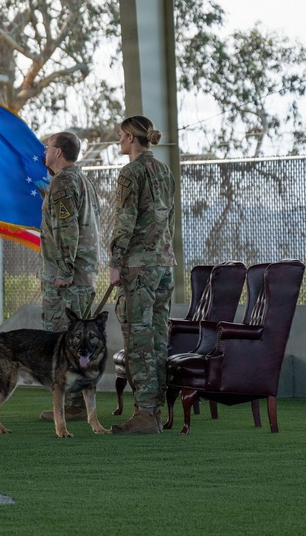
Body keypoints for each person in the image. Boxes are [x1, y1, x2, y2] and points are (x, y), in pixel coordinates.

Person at [108, 115, 175, 435]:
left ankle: (145, 414)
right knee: (159, 342)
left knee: (137, 343)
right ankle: (155, 410)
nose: (118, 140)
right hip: (163, 266)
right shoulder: (165, 171)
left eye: (121, 135)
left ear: (132, 138)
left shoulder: (130, 173)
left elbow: (125, 221)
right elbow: (169, 219)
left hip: (138, 268)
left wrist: (115, 262)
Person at [37, 131, 100, 421]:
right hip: (84, 275)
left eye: (48, 147)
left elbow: (67, 229)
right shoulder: (82, 180)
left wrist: (63, 270)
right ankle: (77, 404)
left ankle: (71, 406)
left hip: (69, 279)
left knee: (65, 341)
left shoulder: (63, 183)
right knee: (80, 341)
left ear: (59, 152)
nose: (44, 151)